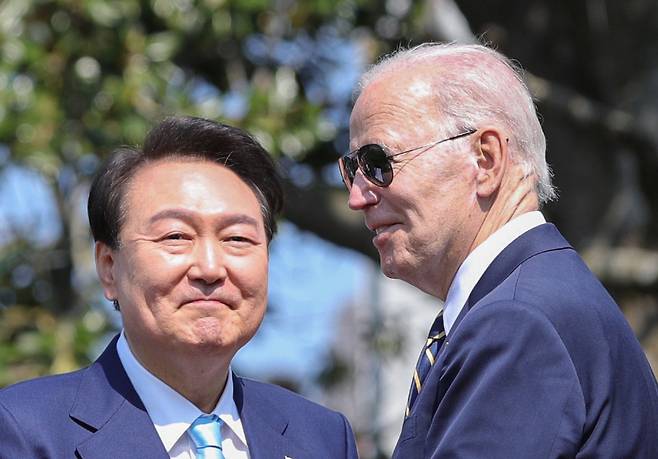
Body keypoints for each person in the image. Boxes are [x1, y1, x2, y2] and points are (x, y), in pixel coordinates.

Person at [339, 43, 658, 458]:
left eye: (378, 162)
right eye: (352, 170)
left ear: (485, 159)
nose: (357, 197)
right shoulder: (528, 303)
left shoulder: (518, 322)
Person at [0, 116, 358, 458]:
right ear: (109, 268)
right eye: (176, 236)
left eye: (236, 238)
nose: (210, 268)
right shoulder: (24, 430)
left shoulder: (322, 437)